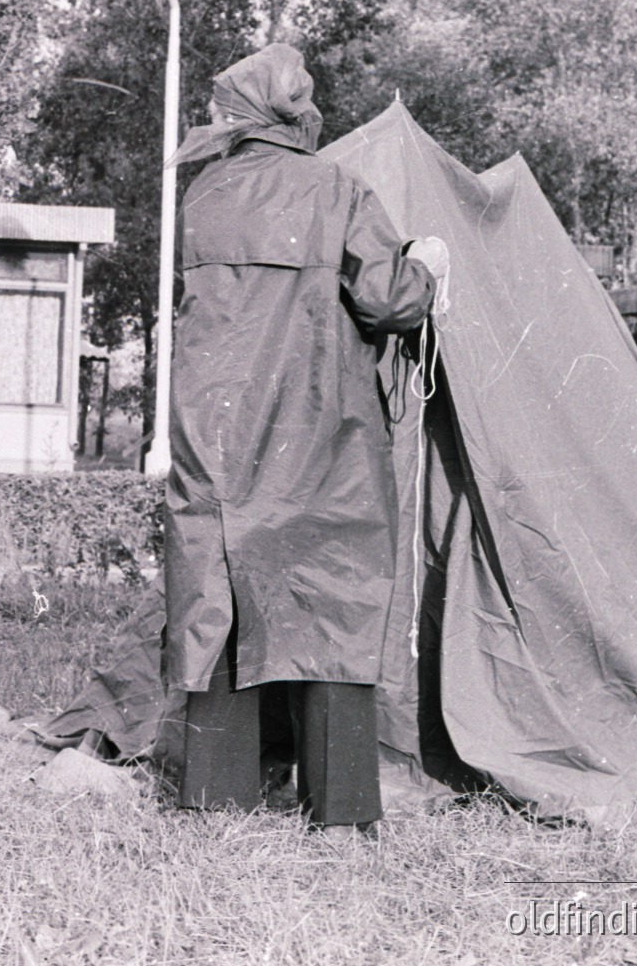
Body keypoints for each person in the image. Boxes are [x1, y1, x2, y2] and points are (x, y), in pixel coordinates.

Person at [162, 43, 449, 834]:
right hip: (323, 440)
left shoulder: (205, 195)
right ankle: (342, 812)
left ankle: (217, 798)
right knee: (333, 608)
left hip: (217, 436)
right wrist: (425, 262)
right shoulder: (337, 189)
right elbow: (390, 302)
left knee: (218, 598)